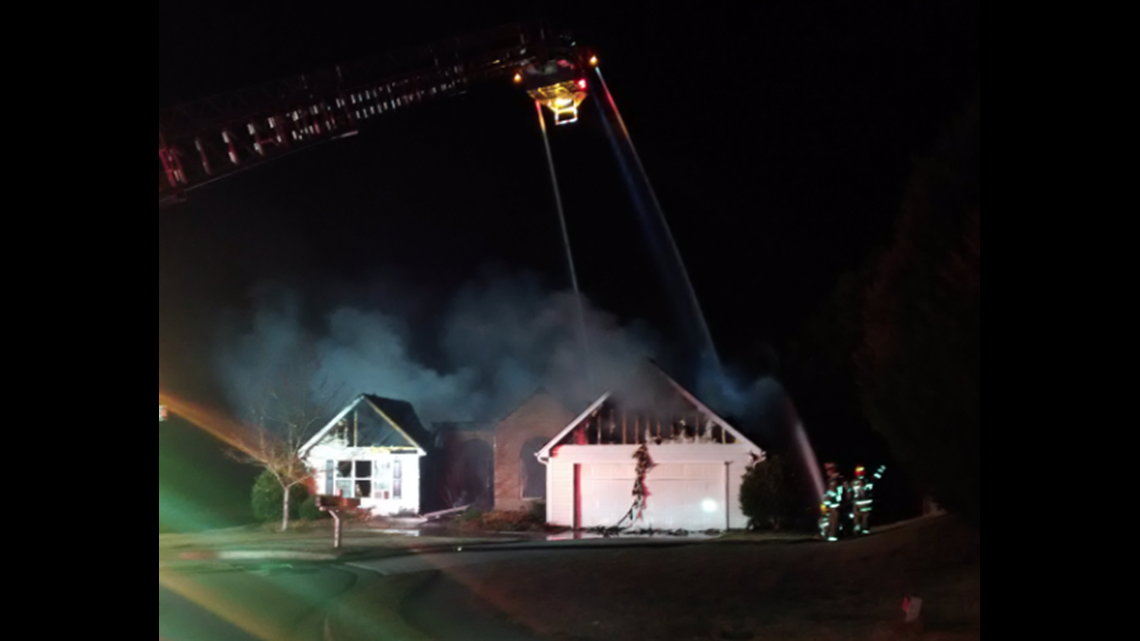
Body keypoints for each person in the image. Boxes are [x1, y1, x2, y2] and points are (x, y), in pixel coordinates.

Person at [852, 465, 887, 536]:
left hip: (857, 503)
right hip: (867, 502)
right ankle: (864, 529)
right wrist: (881, 469)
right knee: (866, 516)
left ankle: (858, 528)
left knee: (857, 516)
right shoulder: (868, 480)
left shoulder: (853, 482)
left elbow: (850, 492)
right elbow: (876, 477)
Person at [821, 463, 846, 542]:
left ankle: (833, 536)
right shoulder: (839, 479)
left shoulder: (834, 480)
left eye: (829, 470)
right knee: (834, 520)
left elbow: (832, 492)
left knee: (834, 521)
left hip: (834, 505)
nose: (827, 472)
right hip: (836, 504)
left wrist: (825, 500)